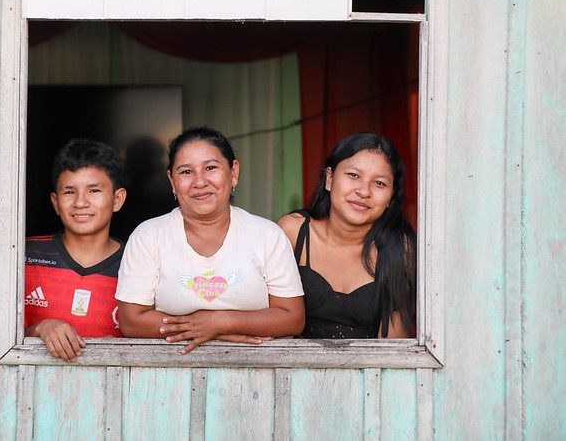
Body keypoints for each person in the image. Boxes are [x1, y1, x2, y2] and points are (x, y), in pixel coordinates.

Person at [115, 126, 305, 354]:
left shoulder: (267, 235)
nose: (200, 181)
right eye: (186, 172)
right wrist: (206, 329)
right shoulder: (148, 236)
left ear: (233, 172)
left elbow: (292, 318)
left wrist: (219, 324)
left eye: (211, 168)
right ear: (172, 180)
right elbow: (131, 321)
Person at [277, 132, 416, 339]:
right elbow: (268, 319)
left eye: (379, 183)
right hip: (293, 367)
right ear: (329, 178)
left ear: (391, 196)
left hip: (369, 369)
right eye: (353, 175)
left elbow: (394, 347)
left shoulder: (400, 249)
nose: (364, 191)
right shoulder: (293, 232)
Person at [24, 138, 127, 362]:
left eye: (94, 191)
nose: (80, 203)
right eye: (69, 192)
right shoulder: (24, 256)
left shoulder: (138, 264)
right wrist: (41, 329)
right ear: (55, 202)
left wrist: (127, 345)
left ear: (117, 199)